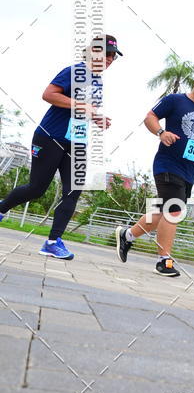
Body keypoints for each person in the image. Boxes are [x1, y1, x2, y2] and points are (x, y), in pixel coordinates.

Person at [0, 35, 122, 259]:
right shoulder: (73, 71)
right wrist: (82, 105)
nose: (109, 59)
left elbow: (82, 110)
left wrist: (96, 118)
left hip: (77, 141)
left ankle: (53, 242)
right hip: (50, 136)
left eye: (113, 56)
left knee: (74, 191)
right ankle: (2, 208)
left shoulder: (97, 81)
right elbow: (49, 94)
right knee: (37, 189)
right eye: (105, 54)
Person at [116, 72, 194, 276]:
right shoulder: (175, 100)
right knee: (174, 210)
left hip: (189, 171)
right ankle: (164, 260)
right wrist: (161, 133)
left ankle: (127, 235)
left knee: (161, 212)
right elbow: (150, 117)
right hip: (167, 164)